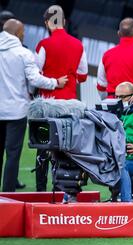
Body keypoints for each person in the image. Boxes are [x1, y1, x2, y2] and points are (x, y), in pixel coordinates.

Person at [0, 19, 67, 192]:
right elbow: (34, 79)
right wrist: (55, 82)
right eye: (22, 32)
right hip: (17, 111)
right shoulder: (23, 53)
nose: (23, 35)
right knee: (13, 155)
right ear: (17, 33)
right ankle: (8, 196)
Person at [34, 5, 88, 192]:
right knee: (65, 149)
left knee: (42, 148)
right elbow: (83, 75)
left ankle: (41, 189)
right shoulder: (78, 44)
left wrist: (52, 80)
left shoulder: (43, 45)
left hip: (47, 105)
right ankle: (62, 188)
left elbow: (35, 75)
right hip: (69, 105)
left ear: (47, 23)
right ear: (64, 21)